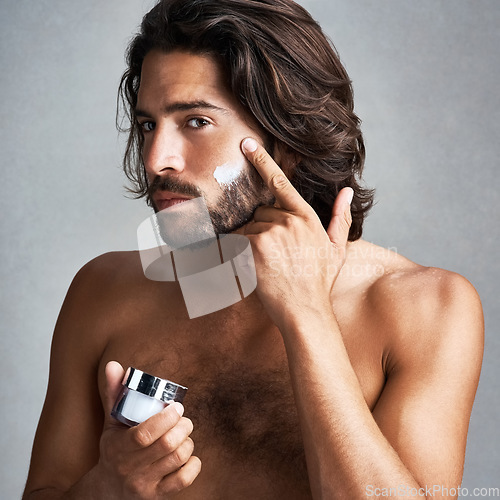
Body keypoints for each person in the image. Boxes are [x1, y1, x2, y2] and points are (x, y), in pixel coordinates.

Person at [23, 0, 484, 498]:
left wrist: (306, 316)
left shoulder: (425, 307)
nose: (157, 160)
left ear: (286, 138)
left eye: (195, 121)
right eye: (148, 125)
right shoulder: (104, 292)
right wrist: (106, 488)